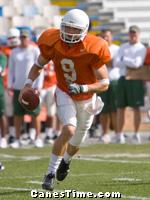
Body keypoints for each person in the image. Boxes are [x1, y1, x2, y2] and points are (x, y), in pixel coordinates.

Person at [19, 9, 111, 191]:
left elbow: (105, 83)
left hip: (87, 97)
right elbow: (39, 65)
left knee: (77, 141)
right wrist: (28, 83)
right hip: (64, 91)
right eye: (67, 27)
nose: (70, 32)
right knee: (69, 129)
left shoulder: (94, 47)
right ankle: (50, 173)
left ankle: (66, 162)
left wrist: (84, 87)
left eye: (75, 29)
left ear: (85, 30)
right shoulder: (52, 40)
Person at [8, 29, 44, 148]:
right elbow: (11, 71)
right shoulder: (14, 52)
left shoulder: (34, 50)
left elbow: (40, 68)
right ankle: (17, 139)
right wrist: (10, 86)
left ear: (29, 38)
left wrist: (39, 86)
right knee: (18, 114)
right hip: (18, 87)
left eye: (25, 37)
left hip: (32, 88)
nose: (24, 39)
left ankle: (38, 138)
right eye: (22, 37)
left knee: (35, 114)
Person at [115, 25, 146, 144]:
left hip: (135, 79)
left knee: (136, 107)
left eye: (135, 34)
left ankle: (136, 134)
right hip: (123, 78)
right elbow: (117, 63)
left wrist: (124, 59)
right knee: (120, 107)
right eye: (131, 33)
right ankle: (119, 134)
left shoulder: (141, 48)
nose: (133, 35)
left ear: (138, 35)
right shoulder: (123, 46)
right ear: (129, 34)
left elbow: (137, 64)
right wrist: (127, 61)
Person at [98, 29, 120, 144]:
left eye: (107, 36)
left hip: (114, 81)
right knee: (103, 109)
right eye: (103, 36)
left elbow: (112, 63)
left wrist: (103, 59)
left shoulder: (117, 49)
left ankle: (117, 133)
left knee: (115, 109)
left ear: (111, 37)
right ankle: (105, 134)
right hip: (102, 81)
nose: (105, 38)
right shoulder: (98, 47)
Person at [0, 49, 7, 148]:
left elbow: (0, 69)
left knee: (2, 114)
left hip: (0, 90)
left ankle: (4, 137)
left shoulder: (2, 56)